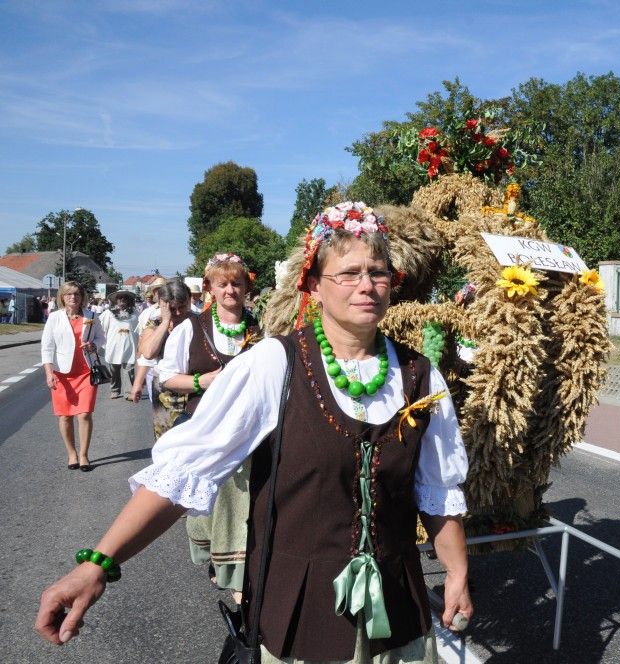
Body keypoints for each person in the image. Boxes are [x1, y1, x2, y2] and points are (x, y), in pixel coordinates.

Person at [36, 202, 473, 662]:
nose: (367, 285)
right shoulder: (274, 364)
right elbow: (182, 476)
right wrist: (98, 565)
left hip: (397, 609)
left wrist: (457, 572)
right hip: (300, 611)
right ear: (313, 287)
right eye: (348, 273)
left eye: (379, 272)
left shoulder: (419, 375)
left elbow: (437, 491)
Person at [155, 253, 262, 597]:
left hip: (253, 427)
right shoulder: (192, 327)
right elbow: (167, 376)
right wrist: (204, 381)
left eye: (237, 283)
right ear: (210, 289)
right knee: (217, 498)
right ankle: (223, 560)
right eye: (223, 284)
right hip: (208, 426)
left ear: (247, 287)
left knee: (247, 497)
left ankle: (244, 566)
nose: (231, 290)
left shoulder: (261, 326)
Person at [40, 281, 106, 472]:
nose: (73, 297)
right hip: (62, 373)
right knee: (65, 416)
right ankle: (71, 453)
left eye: (76, 294)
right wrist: (49, 373)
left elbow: (101, 338)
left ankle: (84, 454)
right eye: (68, 294)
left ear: (82, 297)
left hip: (87, 371)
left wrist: (94, 346)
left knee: (84, 414)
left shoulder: (91, 316)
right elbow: (47, 347)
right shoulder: (54, 318)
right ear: (62, 297)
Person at [129, 279, 191, 436]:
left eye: (182, 307)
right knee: (165, 441)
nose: (177, 313)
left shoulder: (198, 322)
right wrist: (165, 322)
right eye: (172, 308)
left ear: (189, 301)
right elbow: (148, 353)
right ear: (163, 304)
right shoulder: (155, 323)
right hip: (165, 395)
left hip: (193, 391)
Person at [130, 277, 167, 402]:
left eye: (162, 290)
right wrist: (139, 380)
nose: (159, 293)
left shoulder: (179, 310)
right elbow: (141, 346)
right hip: (153, 367)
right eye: (157, 290)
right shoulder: (148, 313)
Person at [99, 291, 139, 399]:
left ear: (128, 300)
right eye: (119, 298)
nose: (122, 300)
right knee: (114, 370)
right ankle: (115, 390)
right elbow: (101, 328)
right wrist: (102, 344)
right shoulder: (108, 313)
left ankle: (129, 392)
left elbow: (139, 329)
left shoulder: (135, 314)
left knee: (129, 369)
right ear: (116, 300)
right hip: (113, 346)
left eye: (124, 298)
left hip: (129, 346)